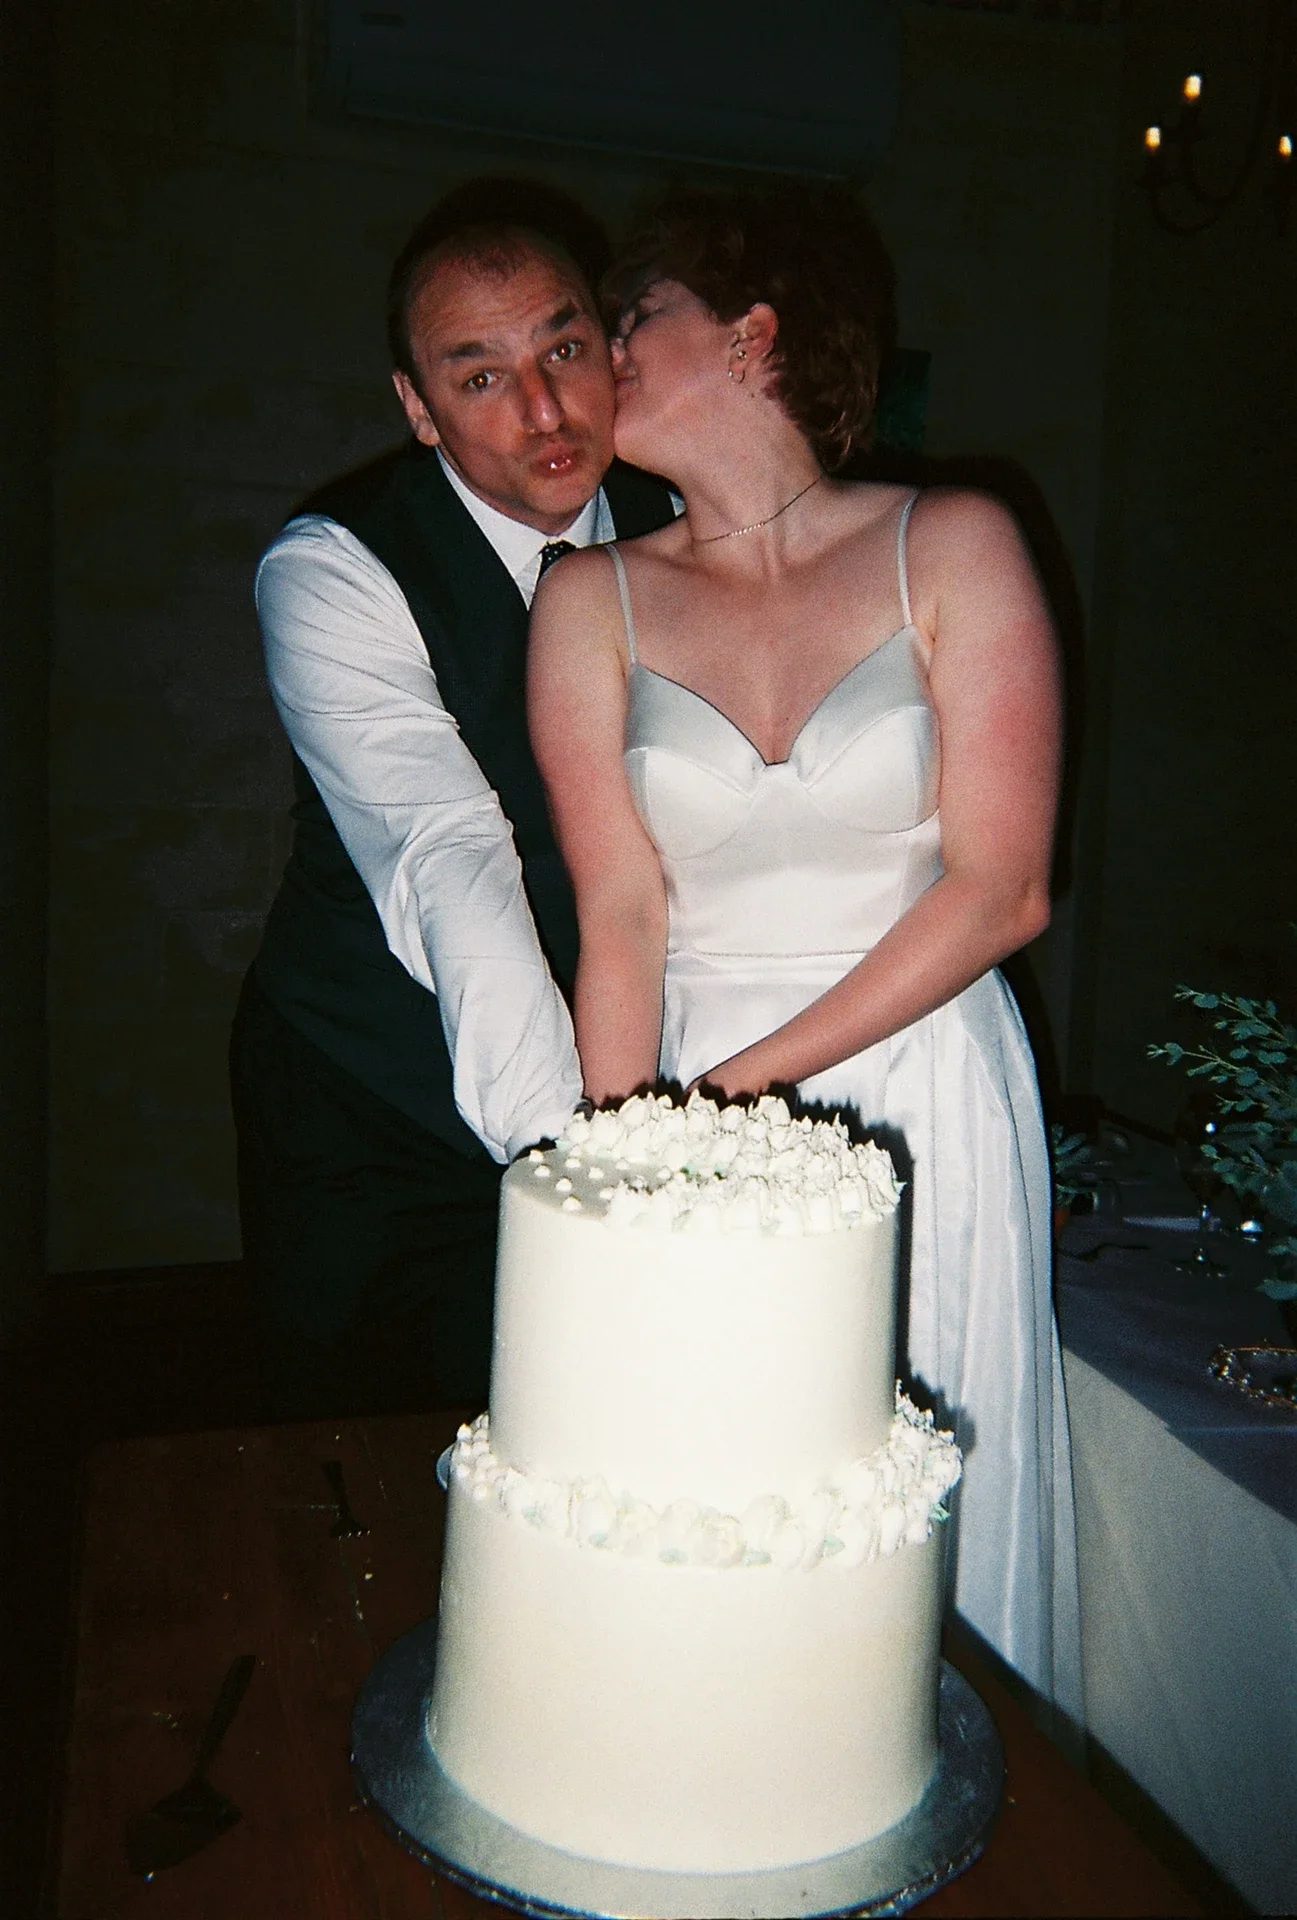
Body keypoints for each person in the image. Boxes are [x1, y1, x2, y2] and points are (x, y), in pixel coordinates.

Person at [528, 184, 1083, 1722]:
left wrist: (730, 1102)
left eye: (626, 320)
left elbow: (1002, 888)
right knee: (705, 1479)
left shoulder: (952, 543)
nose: (593, 361)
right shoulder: (589, 599)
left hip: (923, 1086)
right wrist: (628, 1165)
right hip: (692, 1084)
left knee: (914, 1520)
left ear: (753, 330)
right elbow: (620, 913)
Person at [230, 178, 676, 1417]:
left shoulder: (686, 527)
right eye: (477, 376)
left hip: (603, 1068)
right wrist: (580, 1168)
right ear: (418, 410)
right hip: (360, 1096)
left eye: (564, 348)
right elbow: (447, 854)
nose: (541, 408)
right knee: (347, 1463)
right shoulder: (334, 568)